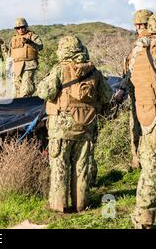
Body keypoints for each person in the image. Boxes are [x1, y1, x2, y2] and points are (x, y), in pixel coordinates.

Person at [36, 35, 112, 213]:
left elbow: (44, 92)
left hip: (61, 129)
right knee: (82, 167)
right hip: (86, 128)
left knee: (60, 167)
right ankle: (81, 205)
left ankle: (59, 207)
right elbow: (107, 96)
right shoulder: (94, 72)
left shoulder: (59, 70)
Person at [128, 12, 156, 229]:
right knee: (155, 169)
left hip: (147, 115)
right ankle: (144, 219)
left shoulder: (139, 52)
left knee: (150, 166)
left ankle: (142, 217)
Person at [116, 9, 154, 169]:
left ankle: (138, 161)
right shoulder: (155, 40)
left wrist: (122, 89)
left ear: (139, 24)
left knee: (137, 124)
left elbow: (132, 69)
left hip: (140, 91)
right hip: (153, 90)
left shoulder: (143, 42)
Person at [9, 18, 43, 98]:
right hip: (16, 66)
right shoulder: (13, 39)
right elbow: (10, 53)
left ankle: (25, 107)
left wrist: (30, 42)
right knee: (16, 91)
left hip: (29, 65)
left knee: (26, 89)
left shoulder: (33, 36)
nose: (20, 29)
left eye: (22, 27)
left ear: (26, 27)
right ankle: (17, 108)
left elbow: (40, 47)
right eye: (18, 28)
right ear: (16, 29)